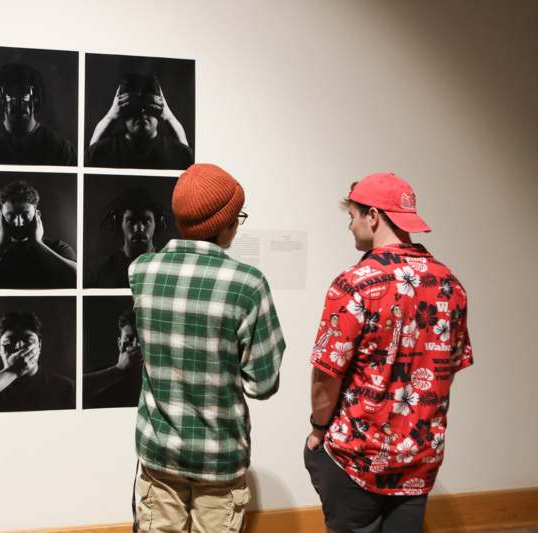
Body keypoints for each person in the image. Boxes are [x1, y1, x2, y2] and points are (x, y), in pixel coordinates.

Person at [304, 173, 473, 533]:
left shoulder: (355, 283)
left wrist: (317, 430)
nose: (351, 226)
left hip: (357, 455)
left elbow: (325, 376)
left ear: (374, 216)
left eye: (353, 216)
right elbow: (449, 368)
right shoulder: (449, 284)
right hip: (420, 456)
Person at [129, 163, 285, 533]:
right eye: (238, 217)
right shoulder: (248, 285)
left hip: (159, 451)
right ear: (227, 223)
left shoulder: (141, 271)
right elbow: (262, 384)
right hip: (219, 458)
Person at [0, 180, 77, 289]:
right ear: (1, 216)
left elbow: (77, 280)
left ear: (37, 215)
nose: (18, 223)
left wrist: (37, 244)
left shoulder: (59, 248)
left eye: (25, 215)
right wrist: (1, 246)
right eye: (11, 215)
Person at [0, 63, 76, 165]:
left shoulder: (61, 149)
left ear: (35, 97)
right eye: (11, 93)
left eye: (24, 92)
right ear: (1, 98)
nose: (18, 101)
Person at [0, 311, 74, 413]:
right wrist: (14, 370)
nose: (19, 347)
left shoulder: (67, 388)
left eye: (28, 341)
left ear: (39, 345)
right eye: (9, 342)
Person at [85, 73, 193, 170]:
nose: (142, 112)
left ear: (160, 108)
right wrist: (111, 115)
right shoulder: (103, 151)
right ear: (122, 109)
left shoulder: (178, 152)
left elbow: (187, 161)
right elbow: (90, 159)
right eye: (134, 106)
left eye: (148, 105)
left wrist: (169, 116)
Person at [85, 187, 165, 289]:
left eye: (146, 221)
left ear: (157, 223)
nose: (139, 228)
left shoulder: (167, 267)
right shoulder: (99, 271)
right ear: (120, 223)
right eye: (132, 221)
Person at [83, 308, 142, 409]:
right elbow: (73, 389)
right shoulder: (100, 373)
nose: (136, 345)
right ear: (119, 344)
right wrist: (118, 369)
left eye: (141, 339)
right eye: (130, 339)